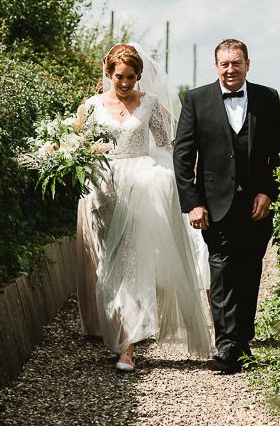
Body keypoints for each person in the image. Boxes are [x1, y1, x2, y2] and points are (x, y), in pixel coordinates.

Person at [76, 43, 213, 372]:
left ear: (139, 77)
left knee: (132, 266)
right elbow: (77, 148)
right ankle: (118, 331)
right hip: (104, 190)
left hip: (140, 186)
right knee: (108, 268)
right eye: (119, 77)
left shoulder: (149, 103)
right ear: (108, 73)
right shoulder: (91, 106)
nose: (125, 84)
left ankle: (128, 347)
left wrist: (177, 180)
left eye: (132, 78)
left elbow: (168, 144)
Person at [174, 38, 280, 373]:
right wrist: (193, 203)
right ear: (216, 66)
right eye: (224, 64)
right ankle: (226, 348)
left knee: (250, 271)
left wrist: (268, 191)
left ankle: (242, 343)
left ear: (247, 64)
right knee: (222, 270)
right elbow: (183, 157)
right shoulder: (196, 100)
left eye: (236, 63)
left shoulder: (268, 98)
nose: (230, 70)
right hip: (214, 204)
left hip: (256, 204)